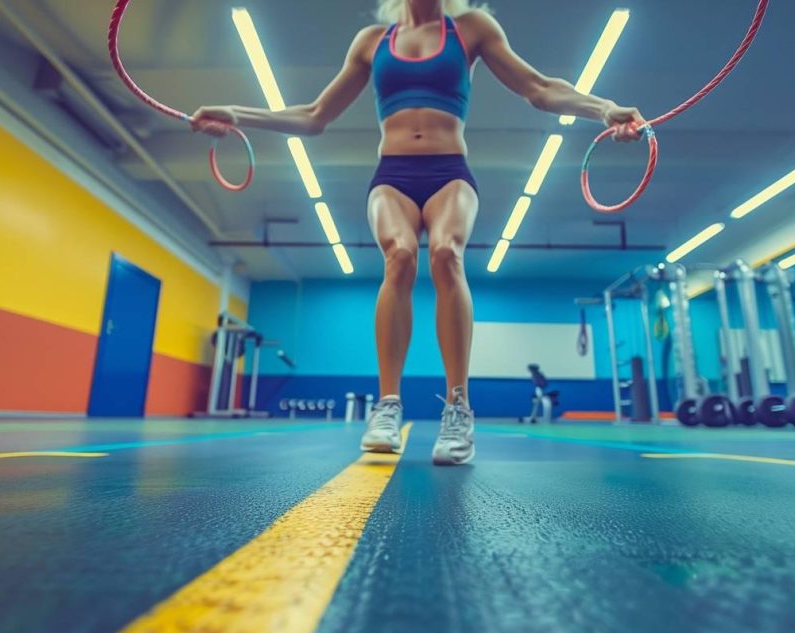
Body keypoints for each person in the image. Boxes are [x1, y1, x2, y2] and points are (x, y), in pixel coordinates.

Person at [192, 0, 644, 465]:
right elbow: (313, 116)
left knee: (447, 254)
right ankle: (387, 407)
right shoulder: (372, 42)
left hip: (450, 171)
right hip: (393, 174)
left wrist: (604, 108)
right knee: (400, 255)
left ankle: (457, 408)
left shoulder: (470, 28)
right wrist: (234, 114)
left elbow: (540, 89)